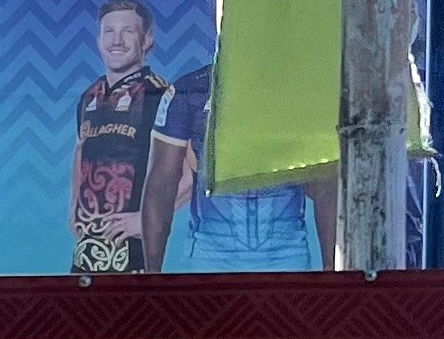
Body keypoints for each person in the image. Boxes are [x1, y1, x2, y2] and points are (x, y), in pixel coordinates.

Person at [143, 60, 337, 272]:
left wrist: (331, 267)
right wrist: (152, 274)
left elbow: (326, 184)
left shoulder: (300, 92)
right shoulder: (189, 90)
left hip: (287, 257)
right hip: (208, 258)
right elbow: (161, 185)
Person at [68, 0, 175, 275]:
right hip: (87, 249)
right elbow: (81, 150)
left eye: (127, 32)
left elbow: (190, 169)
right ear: (98, 39)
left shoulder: (159, 95)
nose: (116, 41)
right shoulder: (89, 97)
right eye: (109, 32)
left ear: (147, 39)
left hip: (134, 251)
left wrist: (147, 219)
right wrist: (72, 209)